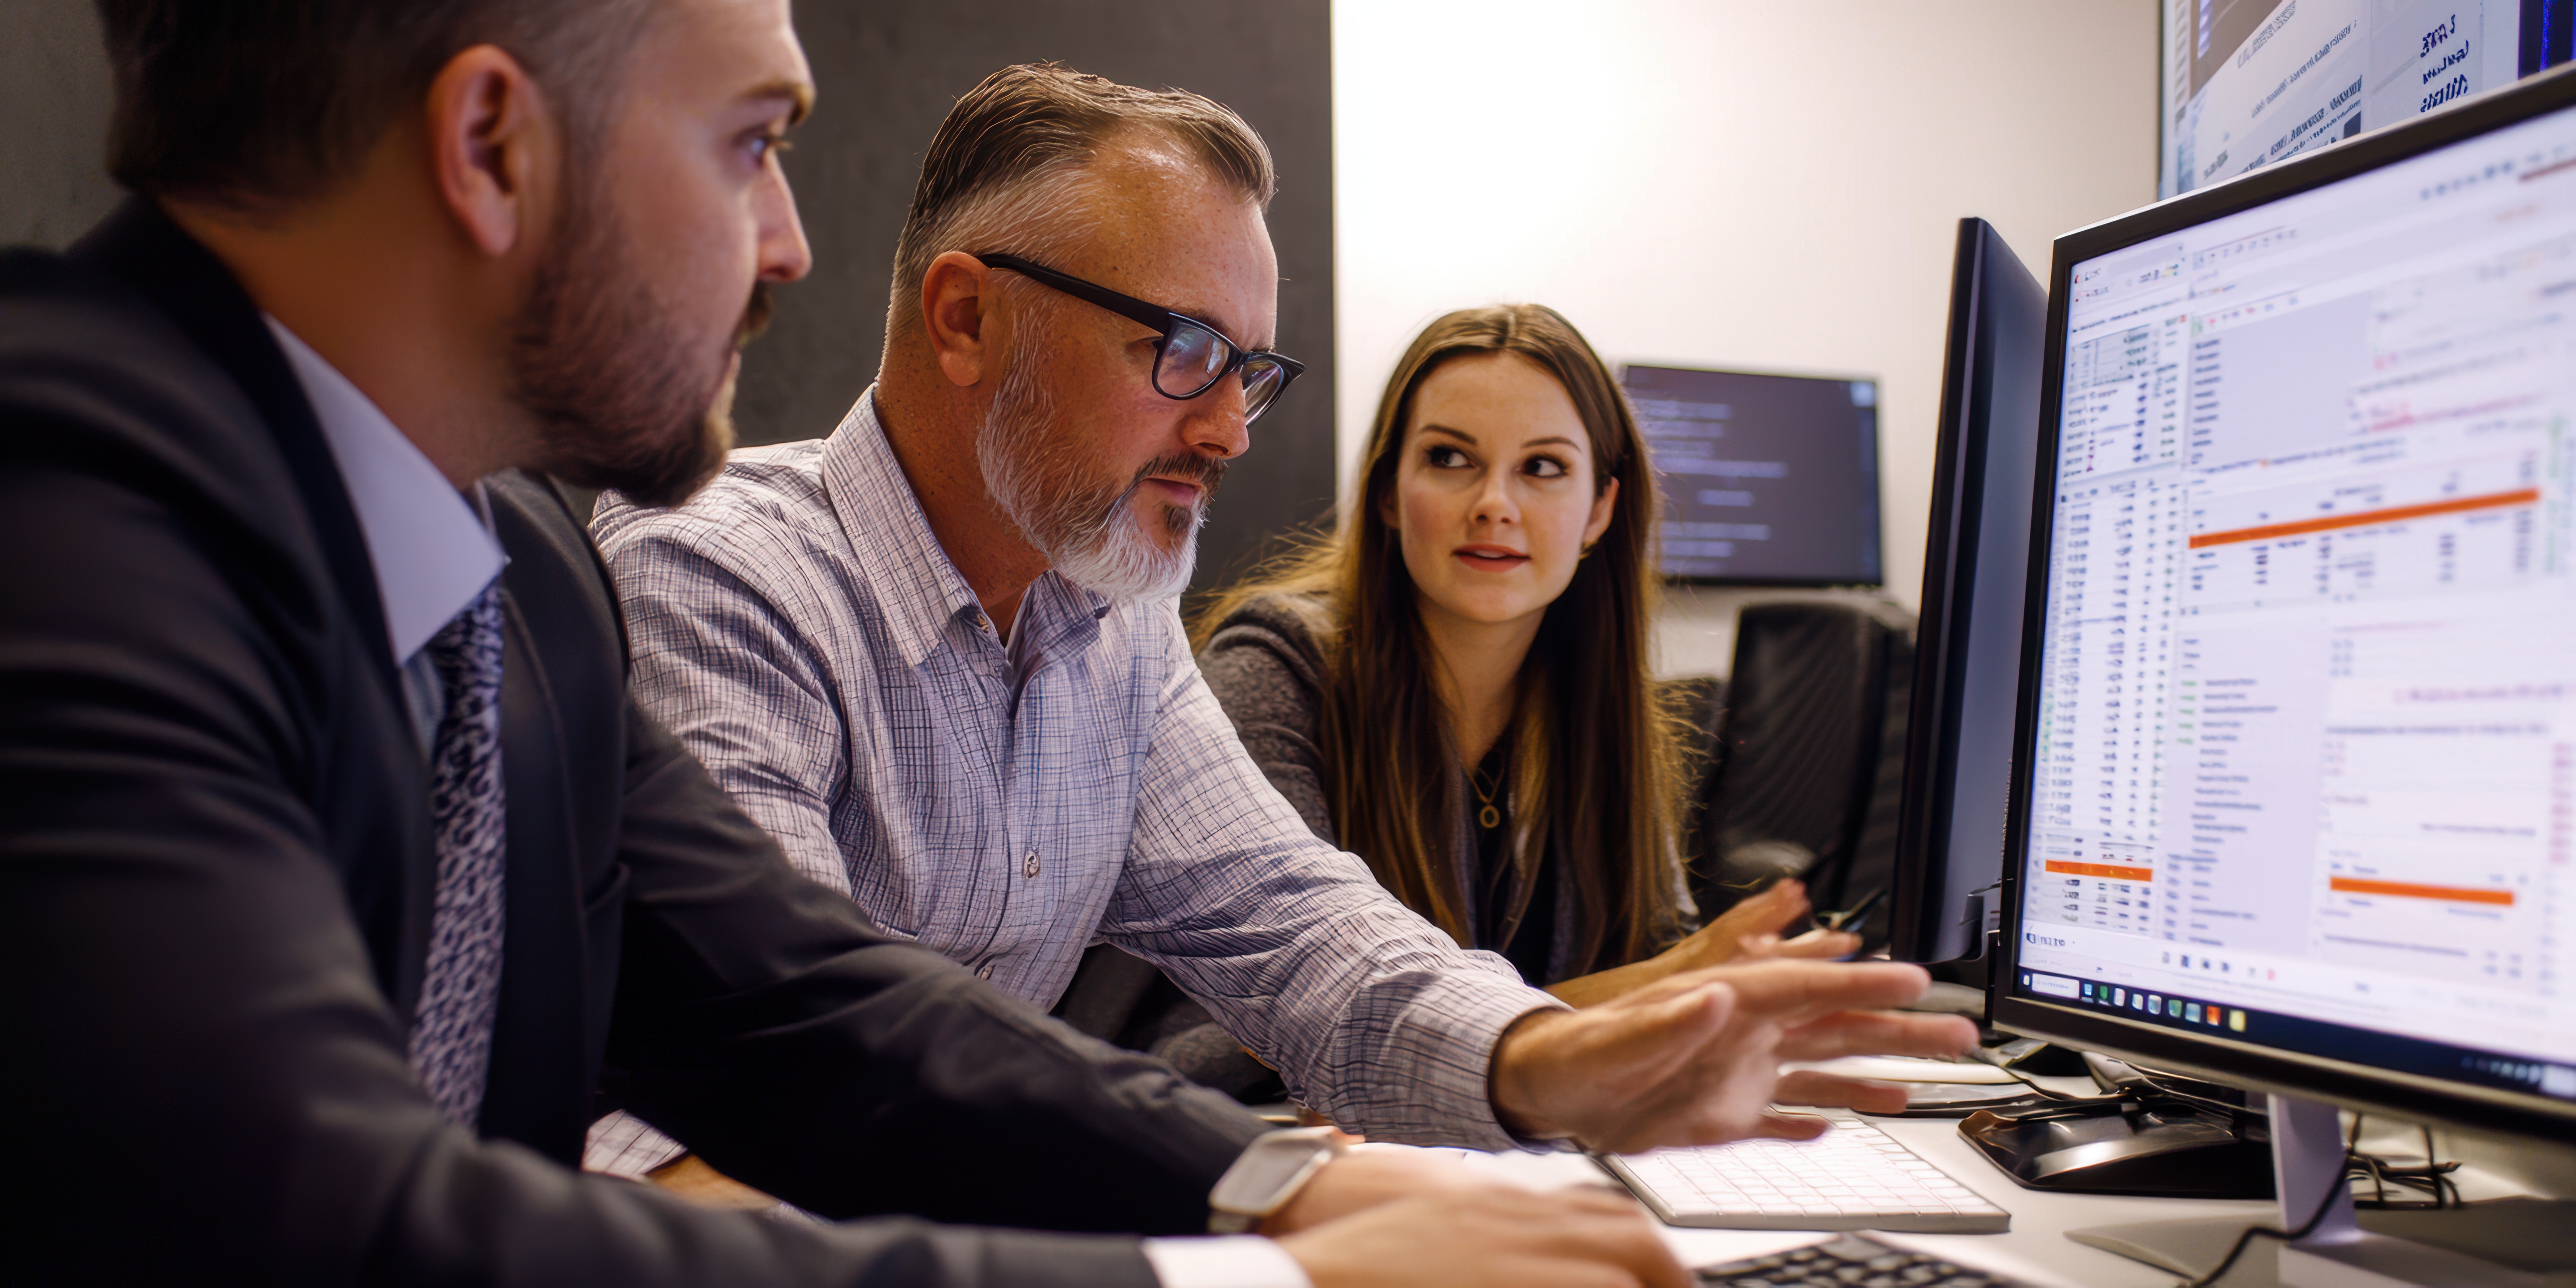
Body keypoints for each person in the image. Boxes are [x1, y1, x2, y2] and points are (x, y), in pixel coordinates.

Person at [0, 3, 1716, 1284]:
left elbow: (811, 1011)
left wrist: (1279, 1189)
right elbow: (323, 1213)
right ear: (490, 147)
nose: (794, 246)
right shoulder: (63, 521)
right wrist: (1217, 1275)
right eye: (750, 143)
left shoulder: (515, 571)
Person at [592, 61, 1974, 1181]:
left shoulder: (1111, 611)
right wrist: (1277, 1207)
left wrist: (1542, 1060)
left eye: (1250, 370)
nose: (1229, 429)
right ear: (965, 318)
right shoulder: (722, 579)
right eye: (1182, 349)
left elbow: (1293, 922)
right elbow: (786, 1084)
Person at [1194, 304, 1851, 1011]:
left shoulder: (1596, 700)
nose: (1495, 504)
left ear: (1600, 509)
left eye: (1543, 467)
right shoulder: (1272, 670)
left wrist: (1712, 981)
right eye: (1450, 459)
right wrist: (1689, 977)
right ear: (1388, 492)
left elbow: (1662, 956)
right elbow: (1314, 1013)